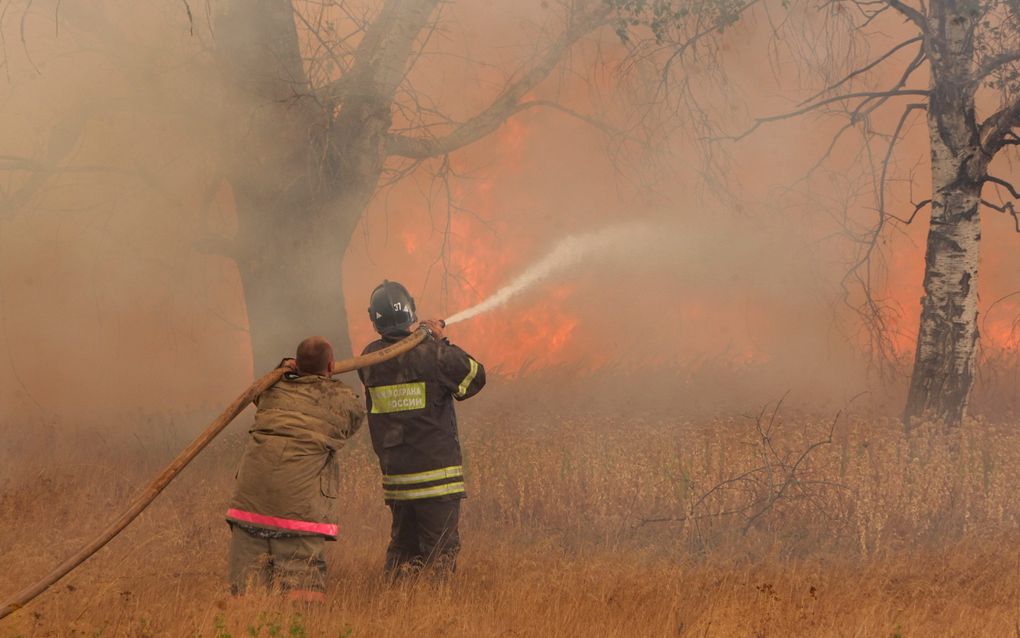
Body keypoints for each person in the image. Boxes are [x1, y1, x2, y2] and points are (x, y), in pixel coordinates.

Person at [358, 280, 486, 577]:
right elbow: (475, 378)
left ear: (373, 319)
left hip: (398, 478)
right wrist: (439, 340)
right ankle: (435, 612)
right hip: (436, 479)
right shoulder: (432, 354)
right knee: (441, 551)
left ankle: (396, 605)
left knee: (403, 549)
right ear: (411, 310)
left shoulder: (368, 359)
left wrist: (424, 341)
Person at [225, 336, 365, 601]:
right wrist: (327, 381)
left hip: (250, 501)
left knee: (246, 590)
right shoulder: (341, 399)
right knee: (303, 588)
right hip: (298, 508)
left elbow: (261, 390)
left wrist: (282, 369)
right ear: (331, 366)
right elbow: (355, 415)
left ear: (295, 364)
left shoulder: (271, 391)